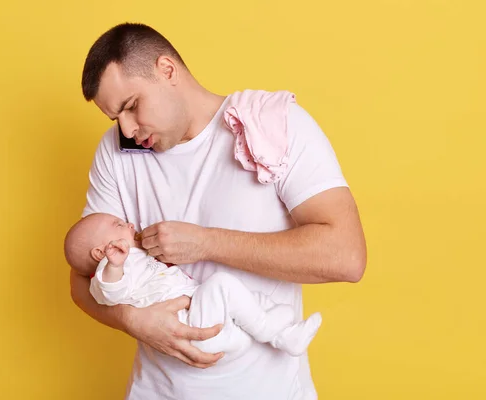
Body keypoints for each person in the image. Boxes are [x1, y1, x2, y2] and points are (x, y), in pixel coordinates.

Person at [69, 22, 367, 400]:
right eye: (115, 118)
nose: (126, 128)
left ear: (167, 70)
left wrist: (207, 243)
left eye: (131, 106)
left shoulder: (271, 126)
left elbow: (347, 256)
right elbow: (81, 280)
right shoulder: (116, 152)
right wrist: (132, 319)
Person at [64, 212, 323, 359]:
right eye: (119, 225)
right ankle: (272, 332)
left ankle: (282, 330)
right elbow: (109, 293)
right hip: (188, 329)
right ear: (100, 252)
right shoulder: (108, 272)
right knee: (222, 284)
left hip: (200, 315)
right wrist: (113, 266)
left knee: (240, 297)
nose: (129, 224)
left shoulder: (134, 254)